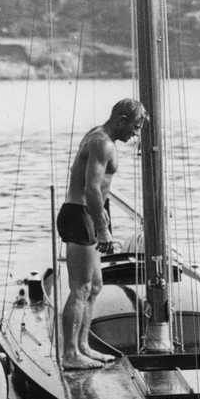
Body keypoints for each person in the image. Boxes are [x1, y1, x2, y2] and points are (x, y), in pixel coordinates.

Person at [57, 98, 147, 369]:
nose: (135, 135)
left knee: (95, 286)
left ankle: (83, 346)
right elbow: (91, 188)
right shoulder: (102, 143)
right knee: (81, 288)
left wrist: (102, 216)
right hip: (80, 214)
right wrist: (102, 228)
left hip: (89, 213)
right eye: (135, 127)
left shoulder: (99, 136)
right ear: (121, 120)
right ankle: (70, 354)